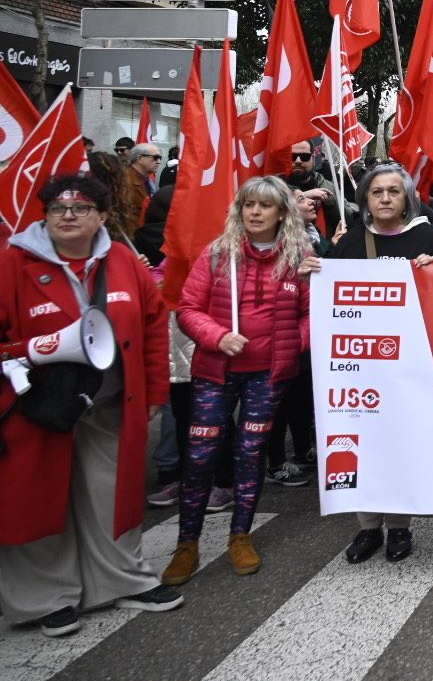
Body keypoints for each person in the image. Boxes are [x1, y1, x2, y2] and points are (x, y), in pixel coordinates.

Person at [0, 174, 183, 637]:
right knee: (41, 500)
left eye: (80, 208)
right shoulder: (13, 263)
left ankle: (122, 579)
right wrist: (35, 346)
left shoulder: (121, 260)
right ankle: (45, 598)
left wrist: (157, 394)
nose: (67, 216)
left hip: (109, 402)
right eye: (58, 209)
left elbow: (152, 326)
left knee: (111, 496)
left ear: (101, 216)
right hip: (37, 408)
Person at [162, 177, 314, 585]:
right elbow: (188, 309)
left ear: (282, 211)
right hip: (216, 373)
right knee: (199, 456)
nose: (255, 212)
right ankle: (186, 543)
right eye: (248, 204)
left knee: (250, 455)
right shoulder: (217, 254)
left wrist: (289, 344)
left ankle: (240, 536)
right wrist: (217, 337)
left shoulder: (300, 257)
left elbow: (313, 315)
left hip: (268, 377)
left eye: (265, 205)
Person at [326, 163, 433, 565]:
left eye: (393, 192)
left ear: (407, 199)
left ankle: (399, 527)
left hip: (410, 364)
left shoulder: (428, 237)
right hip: (359, 366)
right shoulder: (349, 243)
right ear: (365, 198)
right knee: (362, 444)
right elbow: (326, 295)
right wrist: (314, 270)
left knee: (400, 443)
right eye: (377, 191)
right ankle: (368, 528)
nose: (384, 198)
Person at [266, 190, 333, 488]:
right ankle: (276, 461)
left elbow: (312, 300)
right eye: (302, 199)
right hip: (271, 343)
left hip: (300, 342)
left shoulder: (309, 240)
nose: (311, 203)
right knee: (276, 405)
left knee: (301, 398)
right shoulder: (266, 248)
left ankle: (303, 447)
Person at [282, 140, 341, 236]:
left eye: (305, 156)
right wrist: (302, 197)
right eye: (293, 156)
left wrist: (331, 202)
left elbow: (348, 220)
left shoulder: (328, 186)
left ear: (313, 159)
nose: (298, 161)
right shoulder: (275, 188)